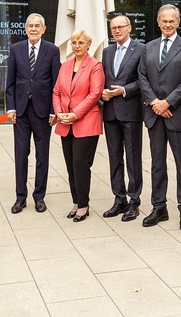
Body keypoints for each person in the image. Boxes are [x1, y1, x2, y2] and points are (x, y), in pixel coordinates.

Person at [138, 4, 181, 231]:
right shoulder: (148, 47)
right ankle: (159, 207)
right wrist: (155, 102)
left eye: (172, 20)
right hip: (155, 114)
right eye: (164, 20)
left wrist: (168, 102)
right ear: (158, 21)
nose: (168, 24)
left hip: (177, 113)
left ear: (178, 22)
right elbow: (142, 76)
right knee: (157, 163)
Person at [5, 13, 61, 214]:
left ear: (44, 29)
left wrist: (55, 110)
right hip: (20, 111)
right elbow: (10, 82)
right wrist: (10, 108)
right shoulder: (16, 49)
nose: (34, 29)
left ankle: (39, 197)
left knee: (42, 155)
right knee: (21, 155)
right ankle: (20, 197)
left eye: (38, 26)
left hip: (43, 111)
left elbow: (56, 84)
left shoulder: (52, 50)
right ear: (25, 28)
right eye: (30, 26)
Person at [53, 30, 104, 222]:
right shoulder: (65, 66)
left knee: (80, 165)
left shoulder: (95, 66)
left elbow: (95, 94)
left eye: (81, 42)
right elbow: (56, 91)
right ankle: (76, 201)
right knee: (70, 166)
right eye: (74, 42)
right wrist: (59, 113)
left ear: (89, 45)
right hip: (65, 123)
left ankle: (83, 205)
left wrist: (75, 114)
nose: (76, 46)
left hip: (86, 122)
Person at [100, 15, 146, 221]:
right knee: (114, 158)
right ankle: (119, 199)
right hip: (110, 113)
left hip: (131, 112)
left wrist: (124, 90)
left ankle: (134, 201)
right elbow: (102, 78)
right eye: (114, 28)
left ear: (129, 27)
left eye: (120, 27)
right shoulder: (107, 51)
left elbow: (143, 80)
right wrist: (102, 92)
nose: (117, 31)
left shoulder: (141, 49)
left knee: (133, 159)